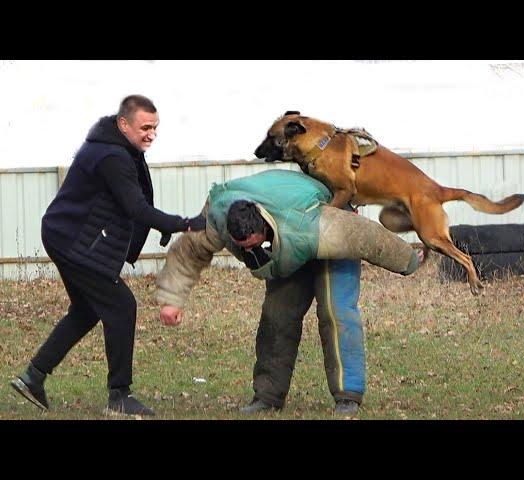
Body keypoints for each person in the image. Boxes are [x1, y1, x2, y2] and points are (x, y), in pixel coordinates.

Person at [155, 169, 422, 415]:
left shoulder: (312, 227)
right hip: (289, 243)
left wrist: (408, 260)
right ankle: (268, 397)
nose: (249, 252)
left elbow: (366, 236)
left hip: (322, 218)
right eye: (242, 248)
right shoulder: (217, 215)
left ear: (263, 228)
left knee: (335, 310)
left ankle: (347, 395)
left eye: (253, 246)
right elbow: (189, 252)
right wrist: (171, 300)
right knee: (276, 315)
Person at [10, 95, 205, 417]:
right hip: (75, 240)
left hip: (66, 235)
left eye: (155, 128)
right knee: (121, 305)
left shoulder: (117, 148)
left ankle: (33, 376)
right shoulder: (111, 156)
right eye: (145, 127)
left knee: (86, 310)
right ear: (123, 124)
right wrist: (183, 224)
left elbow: (132, 204)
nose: (151, 134)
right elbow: (136, 208)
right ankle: (119, 396)